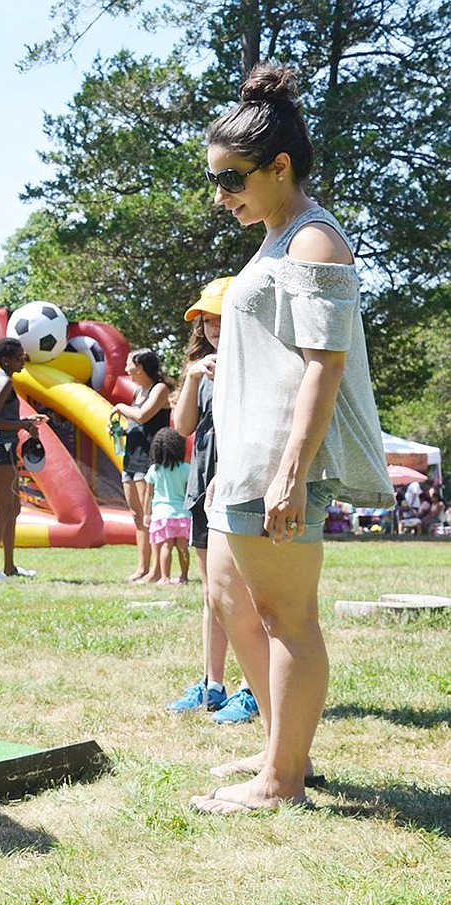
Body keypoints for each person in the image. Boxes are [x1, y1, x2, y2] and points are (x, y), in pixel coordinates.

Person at [191, 63, 392, 814]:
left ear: (280, 167)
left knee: (286, 617)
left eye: (232, 179)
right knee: (226, 599)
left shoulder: (314, 244)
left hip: (279, 459)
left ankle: (283, 780)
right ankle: (282, 745)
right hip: (241, 458)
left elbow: (324, 365)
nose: (222, 196)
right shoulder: (275, 239)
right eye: (216, 180)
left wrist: (291, 471)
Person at [166, 279, 259, 725]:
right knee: (213, 593)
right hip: (203, 485)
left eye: (220, 316)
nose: (213, 326)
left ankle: (252, 688)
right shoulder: (202, 370)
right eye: (206, 319)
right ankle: (212, 684)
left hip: (242, 483)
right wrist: (191, 377)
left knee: (248, 591)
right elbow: (181, 426)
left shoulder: (256, 362)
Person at [0, 337, 48, 583]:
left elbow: (1, 415)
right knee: (3, 509)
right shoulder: (5, 381)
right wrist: (23, 425)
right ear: (6, 359)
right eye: (19, 357)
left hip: (3, 446)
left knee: (14, 508)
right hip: (0, 446)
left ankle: (9, 567)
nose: (23, 360)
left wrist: (27, 420)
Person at [113, 348, 172, 582]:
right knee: (138, 517)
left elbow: (143, 416)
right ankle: (142, 568)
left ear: (141, 366)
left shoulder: (160, 389)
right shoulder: (138, 391)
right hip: (131, 456)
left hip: (150, 459)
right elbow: (135, 423)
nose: (126, 369)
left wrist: (119, 407)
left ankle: (157, 571)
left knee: (151, 515)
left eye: (129, 364)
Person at [143, 427, 192, 585]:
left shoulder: (155, 470)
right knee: (183, 548)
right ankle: (184, 577)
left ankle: (165, 577)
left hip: (162, 514)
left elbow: (148, 494)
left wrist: (146, 513)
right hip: (183, 513)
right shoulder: (186, 469)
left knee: (166, 546)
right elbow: (189, 492)